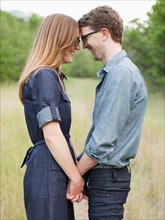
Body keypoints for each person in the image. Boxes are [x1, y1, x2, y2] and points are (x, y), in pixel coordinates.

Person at [76, 5, 148, 220]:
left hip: (108, 179)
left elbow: (102, 142)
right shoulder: (116, 73)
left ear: (104, 33)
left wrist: (74, 176)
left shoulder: (120, 75)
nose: (83, 44)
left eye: (85, 37)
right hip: (106, 179)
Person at [19, 13, 84, 220]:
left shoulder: (54, 76)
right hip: (47, 171)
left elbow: (64, 135)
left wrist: (76, 173)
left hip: (54, 168)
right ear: (59, 39)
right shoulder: (45, 76)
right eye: (75, 40)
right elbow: (53, 135)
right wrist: (76, 179)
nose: (78, 47)